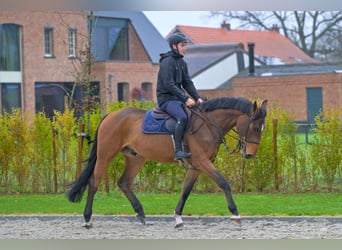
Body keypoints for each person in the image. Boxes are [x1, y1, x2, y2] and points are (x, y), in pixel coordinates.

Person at [156, 32, 203, 160]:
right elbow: (169, 84)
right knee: (182, 117)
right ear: (174, 46)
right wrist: (186, 98)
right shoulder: (167, 62)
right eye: (182, 45)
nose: (185, 48)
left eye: (185, 45)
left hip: (177, 99)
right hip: (166, 100)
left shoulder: (182, 63)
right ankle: (178, 151)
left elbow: (187, 82)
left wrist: (197, 97)